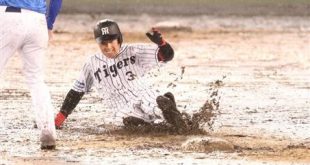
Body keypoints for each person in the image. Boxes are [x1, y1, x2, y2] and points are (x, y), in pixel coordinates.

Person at [54, 19, 188, 133]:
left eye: (111, 41)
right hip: (121, 108)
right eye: (103, 43)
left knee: (155, 106)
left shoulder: (133, 51)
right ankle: (163, 120)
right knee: (130, 122)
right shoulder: (91, 64)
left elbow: (167, 56)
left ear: (119, 39)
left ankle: (171, 112)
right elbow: (76, 91)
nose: (108, 46)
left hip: (143, 94)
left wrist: (162, 44)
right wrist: (60, 118)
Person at [0, 0, 62, 150]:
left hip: (8, 15)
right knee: (36, 80)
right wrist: (49, 24)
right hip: (37, 21)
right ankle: (48, 131)